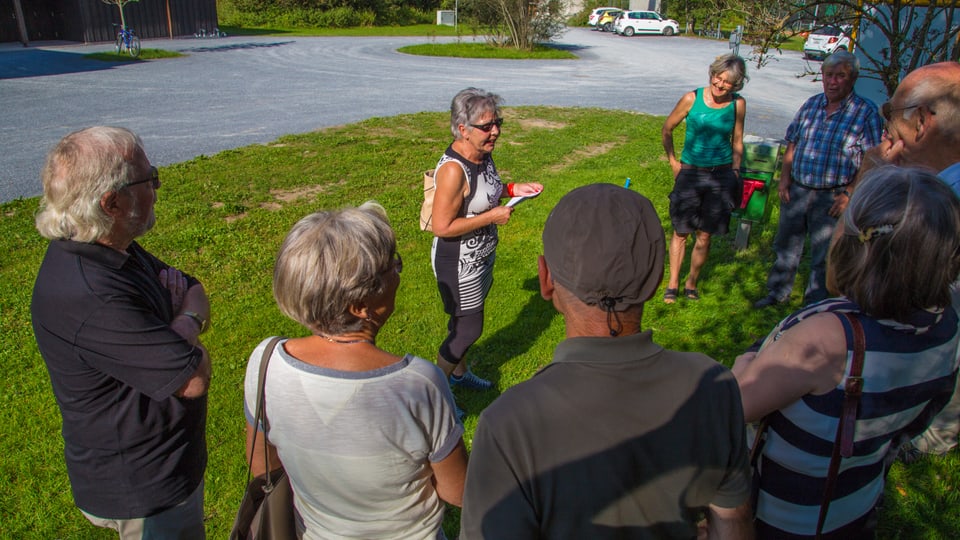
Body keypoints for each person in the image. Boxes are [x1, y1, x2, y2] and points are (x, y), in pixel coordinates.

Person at [460, 183, 753, 539]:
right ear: (657, 278)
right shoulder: (713, 385)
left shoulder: (508, 425)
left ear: (546, 279)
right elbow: (732, 523)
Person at [733, 166, 960, 539]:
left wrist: (745, 361)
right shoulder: (945, 328)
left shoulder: (829, 336)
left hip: (785, 517)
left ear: (858, 245)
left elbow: (735, 405)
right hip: (855, 504)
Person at [244, 203, 468, 539]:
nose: (399, 272)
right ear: (360, 305)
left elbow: (263, 466)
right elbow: (458, 491)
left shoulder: (265, 360)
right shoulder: (418, 383)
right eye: (394, 265)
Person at [31, 126, 211, 538]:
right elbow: (193, 377)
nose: (157, 188)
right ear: (112, 202)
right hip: (144, 487)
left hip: (154, 467)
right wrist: (184, 321)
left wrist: (177, 323)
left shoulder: (108, 245)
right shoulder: (93, 293)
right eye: (151, 179)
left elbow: (193, 288)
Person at [859, 61, 960, 459]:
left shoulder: (937, 206)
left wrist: (870, 177)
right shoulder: (939, 187)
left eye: (890, 114)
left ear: (920, 122)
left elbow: (852, 274)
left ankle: (922, 445)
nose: (886, 128)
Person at [430, 87, 543, 410]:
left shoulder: (482, 154)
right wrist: (492, 216)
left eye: (498, 123)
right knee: (468, 328)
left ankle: (460, 373)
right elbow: (442, 226)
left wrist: (511, 189)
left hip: (480, 258)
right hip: (458, 263)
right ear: (461, 129)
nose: (495, 131)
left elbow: (486, 190)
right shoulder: (453, 170)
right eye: (486, 126)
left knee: (461, 324)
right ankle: (436, 394)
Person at [754, 51, 883, 308]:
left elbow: (872, 158)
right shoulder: (811, 105)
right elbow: (792, 141)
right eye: (829, 75)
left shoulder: (865, 112)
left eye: (841, 76)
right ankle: (777, 292)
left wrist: (849, 193)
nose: (833, 82)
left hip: (832, 195)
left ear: (853, 79)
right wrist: (784, 179)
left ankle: (814, 303)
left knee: (823, 253)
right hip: (798, 189)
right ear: (822, 76)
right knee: (786, 244)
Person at [661, 53, 747, 303]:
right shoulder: (692, 98)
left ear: (736, 84)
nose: (720, 85)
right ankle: (673, 283)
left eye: (726, 83)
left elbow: (738, 140)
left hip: (721, 175)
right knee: (680, 231)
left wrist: (735, 171)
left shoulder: (738, 104)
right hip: (690, 172)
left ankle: (691, 283)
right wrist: (674, 162)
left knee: (705, 233)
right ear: (712, 74)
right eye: (717, 78)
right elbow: (667, 129)